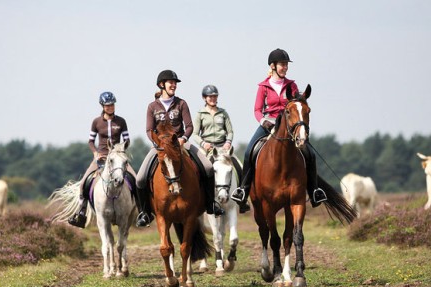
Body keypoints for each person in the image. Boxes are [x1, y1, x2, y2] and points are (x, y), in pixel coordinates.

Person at [230, 48, 327, 208]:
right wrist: (263, 121)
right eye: (282, 64)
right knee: (249, 152)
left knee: (309, 154)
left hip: (288, 125)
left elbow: (296, 105)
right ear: (273, 66)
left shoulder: (292, 85)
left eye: (286, 65)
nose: (285, 67)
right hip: (269, 122)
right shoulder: (263, 86)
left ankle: (315, 191)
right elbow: (256, 109)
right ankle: (243, 190)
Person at [135, 70, 225, 227]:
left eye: (175, 82)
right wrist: (157, 143)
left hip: (181, 143)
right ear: (162, 84)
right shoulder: (152, 107)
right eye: (171, 82)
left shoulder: (181, 103)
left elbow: (189, 126)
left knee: (208, 167)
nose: (174, 85)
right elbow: (149, 130)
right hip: (161, 147)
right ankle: (145, 212)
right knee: (140, 178)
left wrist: (183, 139)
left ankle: (211, 204)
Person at [68, 91, 135, 228]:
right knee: (83, 184)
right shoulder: (96, 122)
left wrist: (121, 150)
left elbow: (127, 139)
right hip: (102, 157)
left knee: (136, 180)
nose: (111, 107)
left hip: (118, 158)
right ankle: (80, 213)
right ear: (103, 106)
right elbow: (91, 141)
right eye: (108, 105)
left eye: (112, 105)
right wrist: (95, 153)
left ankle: (142, 211)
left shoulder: (121, 121)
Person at [191, 85, 248, 213]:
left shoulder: (223, 113)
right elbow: (194, 134)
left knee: (239, 167)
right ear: (204, 98)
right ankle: (202, 198)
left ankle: (242, 200)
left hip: (223, 147)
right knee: (199, 170)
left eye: (215, 96)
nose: (213, 98)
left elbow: (230, 131)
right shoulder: (200, 114)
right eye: (210, 96)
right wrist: (203, 143)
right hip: (207, 148)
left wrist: (228, 142)